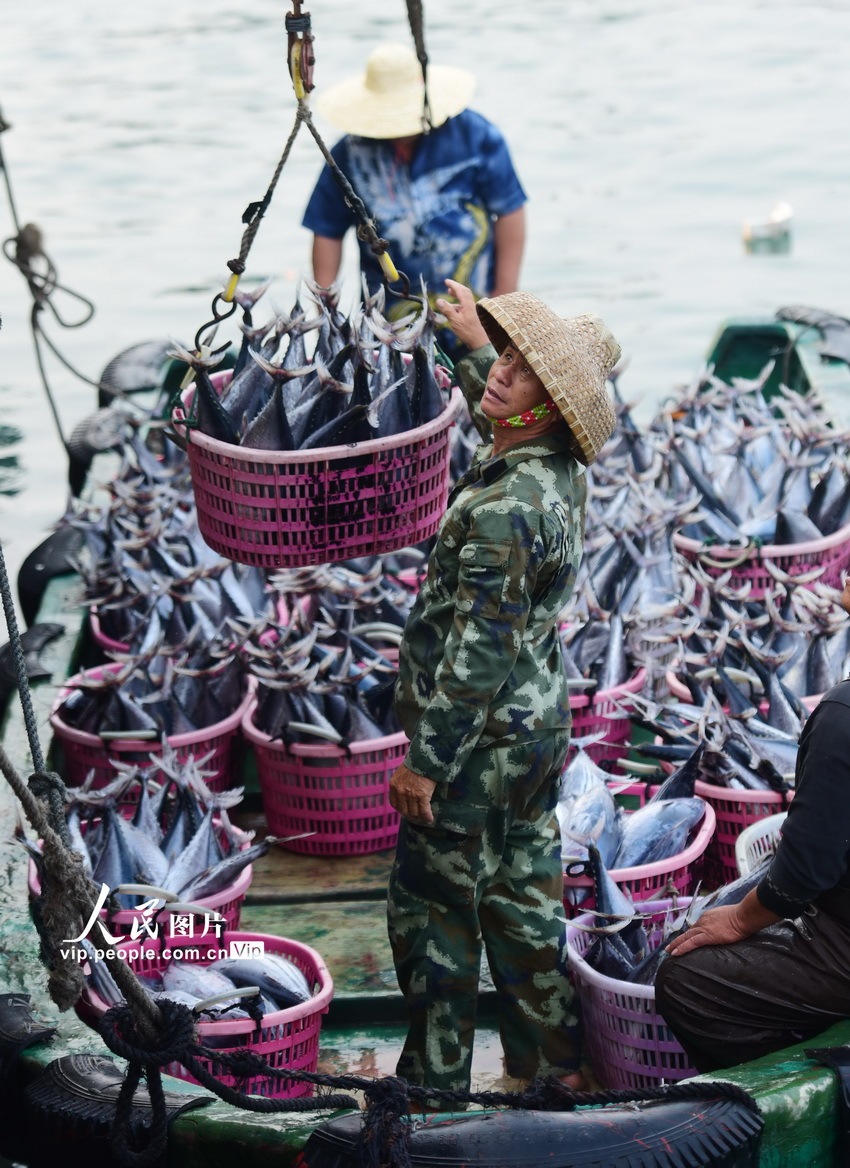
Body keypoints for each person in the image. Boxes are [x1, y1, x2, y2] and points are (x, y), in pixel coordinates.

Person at [386, 278, 621, 1103]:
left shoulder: (505, 510)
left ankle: (434, 1086)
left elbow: (476, 655)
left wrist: (425, 762)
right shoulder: (555, 470)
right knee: (524, 896)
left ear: (549, 405)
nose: (502, 375)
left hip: (476, 746)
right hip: (535, 733)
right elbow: (511, 405)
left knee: (436, 911)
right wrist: (470, 348)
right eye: (506, 359)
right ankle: (550, 1061)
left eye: (521, 370)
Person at [656, 571, 850, 1073]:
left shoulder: (842, 716)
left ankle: (787, 1087)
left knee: (684, 979)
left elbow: (803, 875)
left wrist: (741, 919)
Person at [301, 43, 527, 358]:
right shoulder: (349, 155)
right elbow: (326, 230)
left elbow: (510, 211)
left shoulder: (476, 136)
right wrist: (326, 313)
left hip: (477, 313)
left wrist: (504, 298)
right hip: (388, 323)